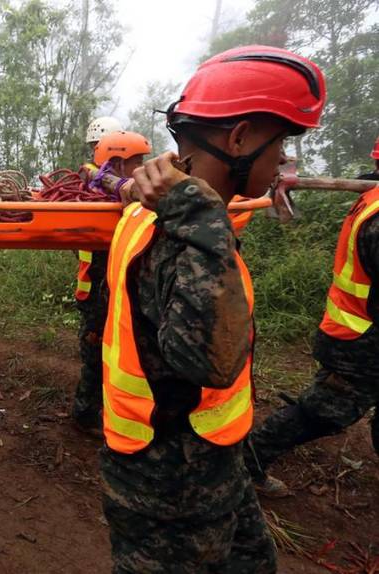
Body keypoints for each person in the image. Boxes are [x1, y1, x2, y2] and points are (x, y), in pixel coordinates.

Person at [101, 45, 326, 573]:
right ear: (240, 137)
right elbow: (212, 362)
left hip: (207, 457)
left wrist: (200, 209)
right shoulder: (184, 230)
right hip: (170, 483)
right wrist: (200, 212)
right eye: (280, 148)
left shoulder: (160, 211)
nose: (281, 166)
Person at [246, 162, 379, 496]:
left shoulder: (372, 198)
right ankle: (247, 463)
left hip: (358, 331)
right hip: (361, 342)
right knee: (325, 412)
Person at [71, 131, 151, 436]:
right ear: (117, 163)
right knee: (94, 356)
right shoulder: (97, 188)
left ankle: (101, 410)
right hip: (95, 295)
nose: (142, 169)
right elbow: (91, 171)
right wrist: (119, 184)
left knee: (113, 356)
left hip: (114, 293)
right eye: (137, 163)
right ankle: (85, 414)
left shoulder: (124, 197)